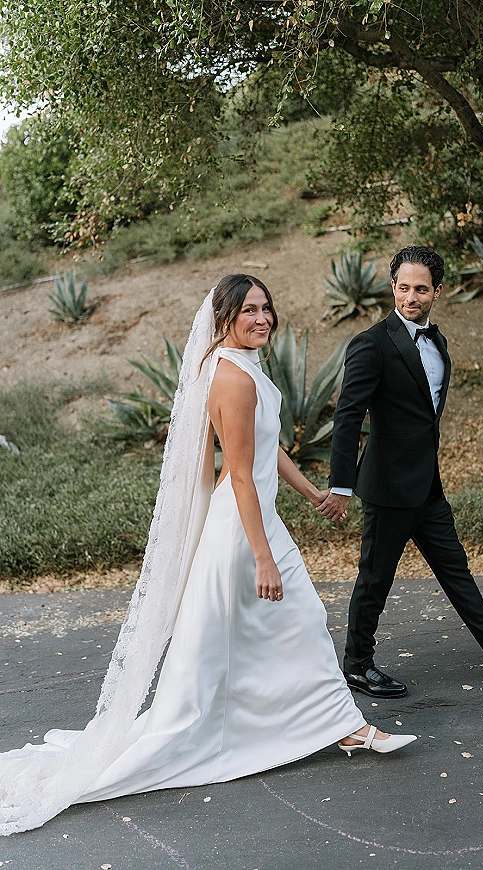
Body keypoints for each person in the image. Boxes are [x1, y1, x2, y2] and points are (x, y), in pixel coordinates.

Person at [0, 275, 416, 836]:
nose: (262, 319)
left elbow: (268, 447)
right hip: (241, 529)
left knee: (280, 628)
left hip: (255, 520)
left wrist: (311, 492)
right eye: (249, 310)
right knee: (245, 643)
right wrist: (263, 556)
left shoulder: (244, 366)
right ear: (224, 318)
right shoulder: (232, 377)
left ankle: (341, 726)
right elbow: (239, 474)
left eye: (266, 308)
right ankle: (342, 728)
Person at [318, 246, 483, 699]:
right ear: (393, 288)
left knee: (456, 570)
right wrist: (342, 485)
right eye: (404, 288)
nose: (411, 297)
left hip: (427, 485)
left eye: (421, 289)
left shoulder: (438, 341)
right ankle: (357, 665)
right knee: (375, 580)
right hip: (388, 487)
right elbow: (348, 416)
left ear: (437, 292)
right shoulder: (371, 344)